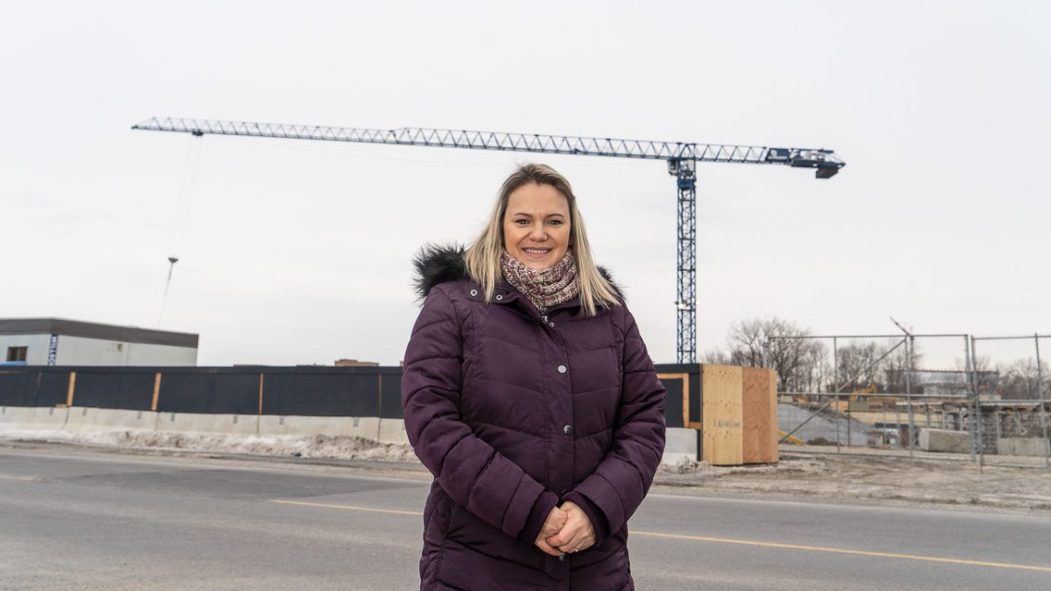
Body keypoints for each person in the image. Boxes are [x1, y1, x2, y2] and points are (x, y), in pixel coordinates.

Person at [401, 163, 666, 590]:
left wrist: (594, 510)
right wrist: (531, 512)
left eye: (553, 221)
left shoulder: (610, 315)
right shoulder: (453, 306)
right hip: (477, 567)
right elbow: (430, 419)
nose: (538, 234)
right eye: (523, 220)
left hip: (593, 568)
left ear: (572, 231)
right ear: (500, 227)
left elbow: (645, 419)